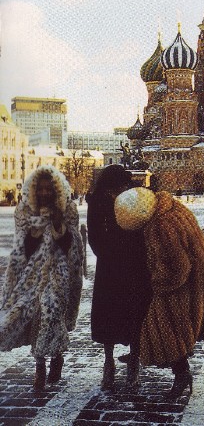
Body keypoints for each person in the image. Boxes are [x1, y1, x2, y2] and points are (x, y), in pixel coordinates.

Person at [114, 185, 204, 399]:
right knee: (175, 329)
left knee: (165, 328)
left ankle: (181, 374)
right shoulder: (170, 207)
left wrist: (158, 284)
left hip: (186, 282)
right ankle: (176, 368)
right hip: (201, 276)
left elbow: (177, 267)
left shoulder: (159, 226)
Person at [0, 165, 84, 391]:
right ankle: (39, 365)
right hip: (31, 274)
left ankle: (55, 355)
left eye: (49, 189)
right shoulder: (24, 211)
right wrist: (34, 236)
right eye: (41, 189)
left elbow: (74, 248)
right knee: (35, 314)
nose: (45, 193)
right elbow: (21, 249)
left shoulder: (68, 210)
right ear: (34, 191)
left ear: (56, 190)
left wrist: (59, 227)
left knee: (52, 312)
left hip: (59, 272)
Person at [86, 164, 152, 391]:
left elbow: (144, 226)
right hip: (110, 267)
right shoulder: (97, 201)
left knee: (135, 315)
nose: (119, 190)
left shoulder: (134, 198)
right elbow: (94, 235)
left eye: (123, 185)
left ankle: (134, 362)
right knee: (108, 317)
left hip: (135, 265)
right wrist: (106, 253)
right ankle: (109, 362)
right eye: (116, 187)